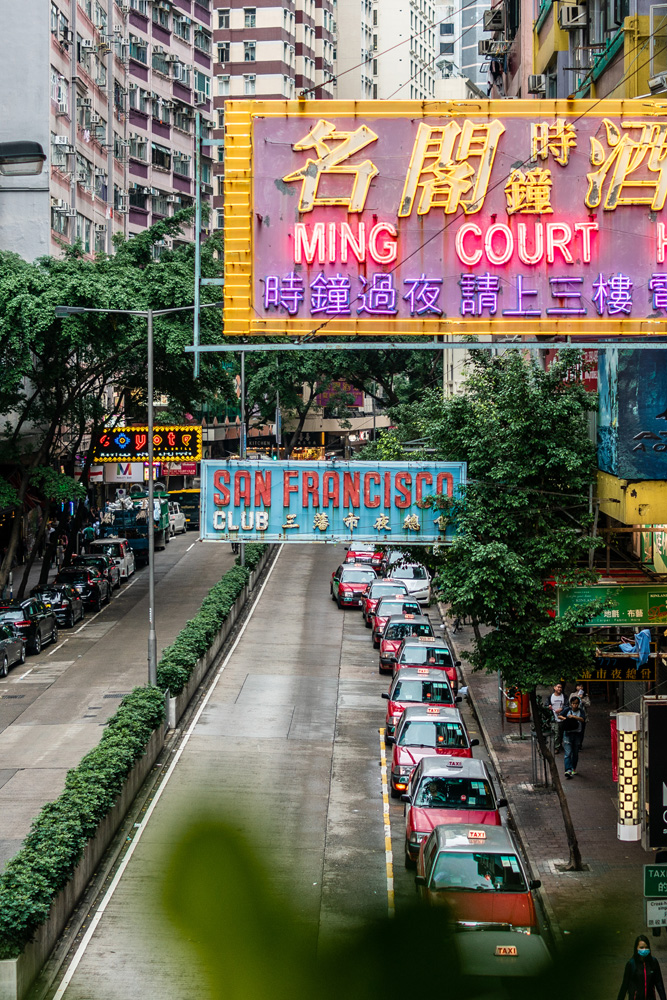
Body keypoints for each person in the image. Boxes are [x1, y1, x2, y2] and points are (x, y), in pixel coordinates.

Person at [617, 936, 666, 1000]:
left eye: (646, 947)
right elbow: (624, 986)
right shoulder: (631, 964)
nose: (644, 949)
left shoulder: (653, 962)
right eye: (641, 947)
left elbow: (659, 984)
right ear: (636, 948)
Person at [558, 696, 586, 778]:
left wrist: (574, 717)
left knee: (575, 752)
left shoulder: (581, 711)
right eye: (573, 704)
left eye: (576, 704)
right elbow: (559, 716)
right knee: (568, 752)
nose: (575, 705)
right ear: (571, 704)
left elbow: (583, 719)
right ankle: (568, 770)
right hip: (567, 733)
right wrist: (566, 718)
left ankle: (573, 768)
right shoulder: (567, 710)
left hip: (577, 733)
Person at [549, 682, 566, 754]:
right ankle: (556, 747)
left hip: (562, 718)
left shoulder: (564, 697)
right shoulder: (550, 697)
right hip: (554, 718)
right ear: (554, 687)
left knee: (561, 733)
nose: (559, 689)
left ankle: (559, 745)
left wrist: (562, 709)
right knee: (556, 732)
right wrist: (549, 707)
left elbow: (567, 705)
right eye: (558, 687)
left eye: (561, 687)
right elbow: (547, 705)